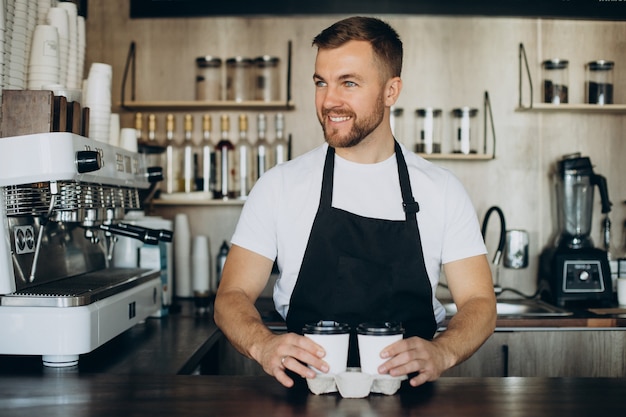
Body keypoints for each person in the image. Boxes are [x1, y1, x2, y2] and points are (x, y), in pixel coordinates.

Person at [214, 16, 496, 388]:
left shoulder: (440, 189)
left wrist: (442, 352)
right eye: (321, 83)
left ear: (391, 91)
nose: (330, 100)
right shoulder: (279, 185)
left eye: (349, 83)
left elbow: (479, 302)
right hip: (305, 395)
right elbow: (231, 297)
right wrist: (263, 345)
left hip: (410, 396)